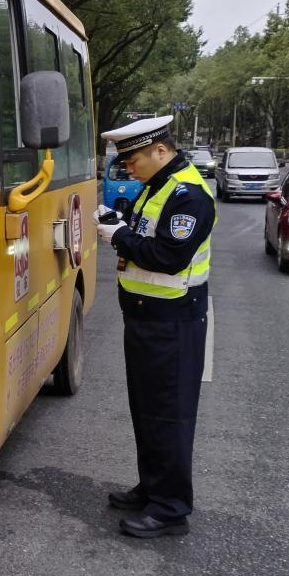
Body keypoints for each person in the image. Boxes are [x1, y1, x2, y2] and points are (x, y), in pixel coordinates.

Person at [95, 115, 216, 538]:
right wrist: (117, 219)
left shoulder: (189, 195)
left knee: (170, 414)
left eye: (133, 161)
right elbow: (141, 227)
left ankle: (170, 508)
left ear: (160, 150)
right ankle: (152, 487)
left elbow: (168, 257)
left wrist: (117, 236)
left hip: (173, 321)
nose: (129, 169)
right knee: (147, 409)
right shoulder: (157, 185)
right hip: (147, 317)